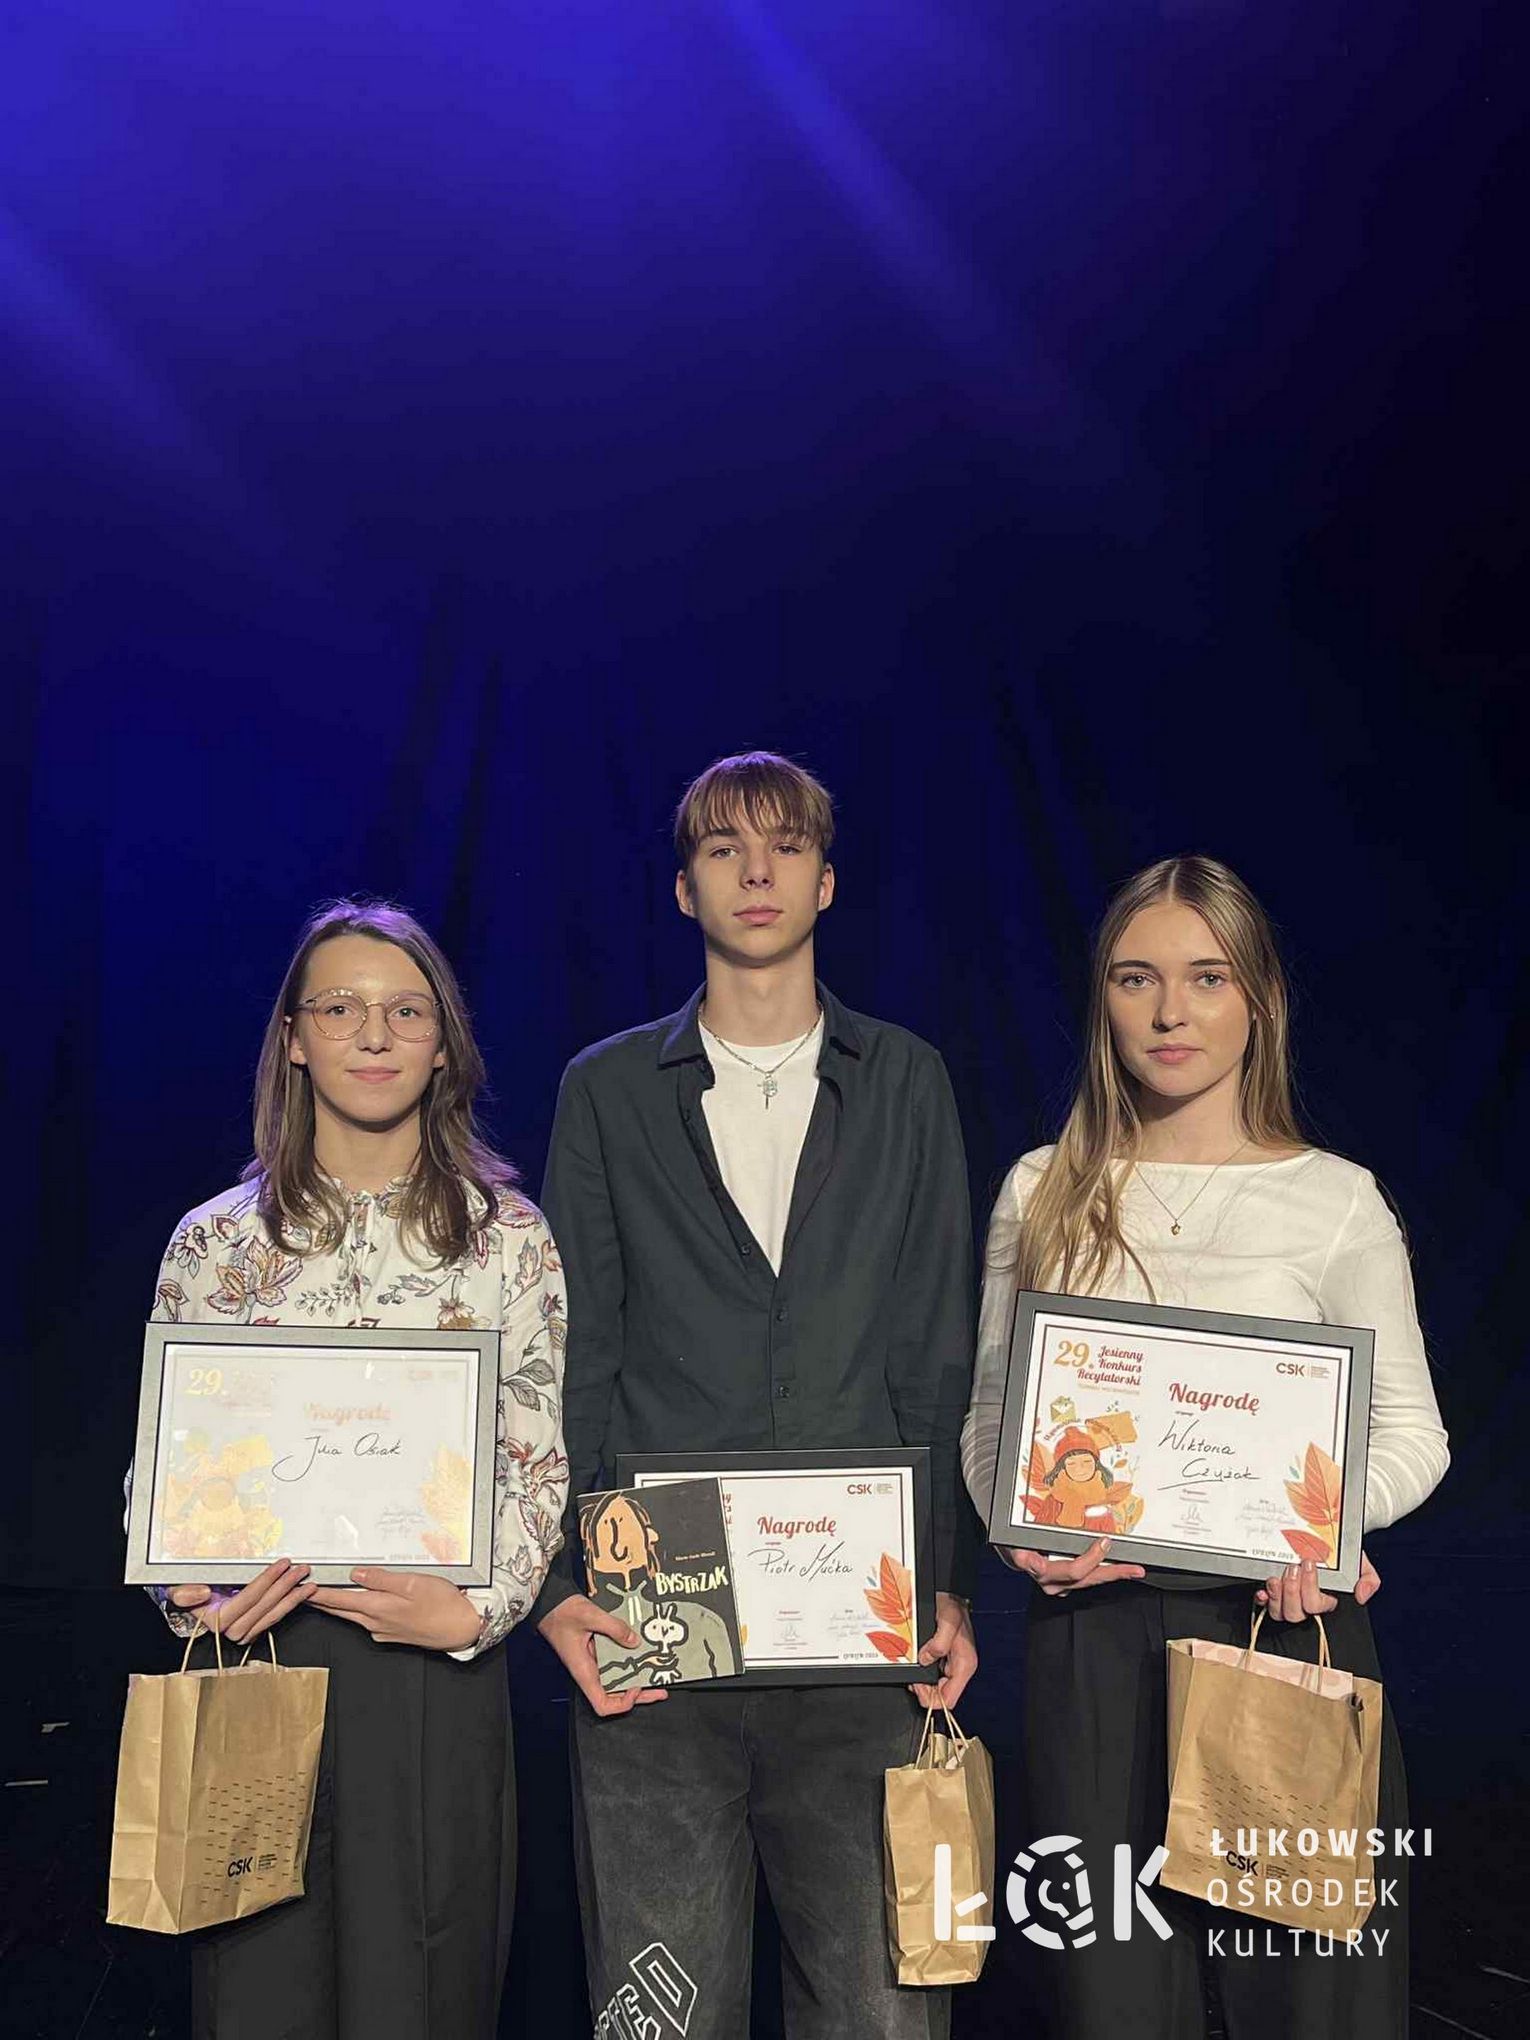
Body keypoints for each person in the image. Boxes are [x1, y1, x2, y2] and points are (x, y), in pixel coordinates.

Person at [963, 854, 1449, 2039]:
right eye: (1136, 978)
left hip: (1282, 1628)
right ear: (1104, 1000)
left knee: (1314, 2004)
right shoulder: (1042, 1188)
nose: (1170, 1012)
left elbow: (1413, 1435)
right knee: (1114, 2001)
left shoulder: (1334, 1200)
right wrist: (1019, 1534)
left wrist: (1325, 1531)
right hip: (1094, 1637)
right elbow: (990, 1424)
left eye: (1206, 978)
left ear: (1260, 1000)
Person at [532, 751, 979, 2040]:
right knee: (659, 2015)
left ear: (827, 881)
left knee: (881, 2012)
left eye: (786, 844)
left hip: (862, 1629)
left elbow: (933, 1351)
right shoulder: (608, 1089)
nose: (758, 870)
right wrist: (561, 1583)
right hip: (657, 1629)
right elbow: (575, 1355)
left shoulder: (906, 1080)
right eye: (724, 848)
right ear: (685, 889)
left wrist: (943, 1582)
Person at [140, 898, 567, 2040]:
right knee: (258, 1996)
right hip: (260, 1651)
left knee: (421, 1994)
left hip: (430, 1667)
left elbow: (536, 1464)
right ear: (293, 1038)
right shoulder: (214, 1243)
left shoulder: (508, 1239)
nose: (374, 1035)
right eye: (340, 1009)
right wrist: (189, 1591)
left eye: (406, 1011)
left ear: (444, 1046)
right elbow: (162, 1465)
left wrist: (477, 1613)